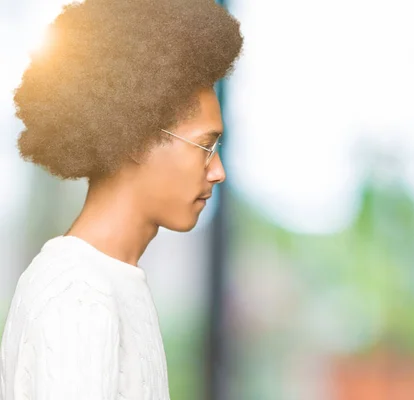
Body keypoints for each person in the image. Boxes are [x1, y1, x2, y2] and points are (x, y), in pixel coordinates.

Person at [0, 0, 243, 398]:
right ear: (138, 140)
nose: (218, 171)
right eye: (204, 146)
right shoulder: (77, 294)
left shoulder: (109, 281)